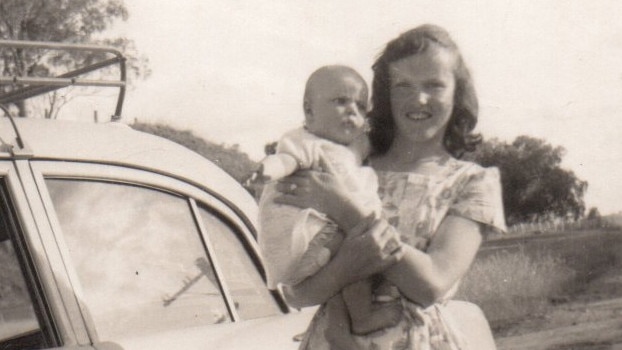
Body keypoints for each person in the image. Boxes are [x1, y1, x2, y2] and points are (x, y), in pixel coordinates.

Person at [275, 24, 506, 349]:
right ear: (384, 94)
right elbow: (296, 292)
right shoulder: (347, 164)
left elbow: (432, 284)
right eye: (403, 86)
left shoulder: (472, 182)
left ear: (457, 92)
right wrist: (345, 266)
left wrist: (345, 211)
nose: (419, 98)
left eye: (434, 85)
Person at [253, 65, 402, 335]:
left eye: (360, 107)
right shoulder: (307, 141)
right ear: (309, 110)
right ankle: (362, 316)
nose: (352, 112)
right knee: (359, 252)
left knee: (350, 263)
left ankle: (341, 328)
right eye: (341, 101)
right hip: (306, 238)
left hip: (316, 242)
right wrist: (266, 170)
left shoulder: (347, 152)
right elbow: (286, 160)